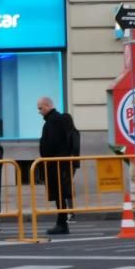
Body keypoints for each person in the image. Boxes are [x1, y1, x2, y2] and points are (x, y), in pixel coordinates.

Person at [38, 96, 77, 235]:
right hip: (60, 164)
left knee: (60, 194)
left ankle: (62, 224)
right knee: (61, 194)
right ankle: (62, 222)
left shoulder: (53, 121)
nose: (39, 111)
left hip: (56, 165)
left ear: (48, 105)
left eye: (40, 108)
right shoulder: (56, 120)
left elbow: (52, 144)